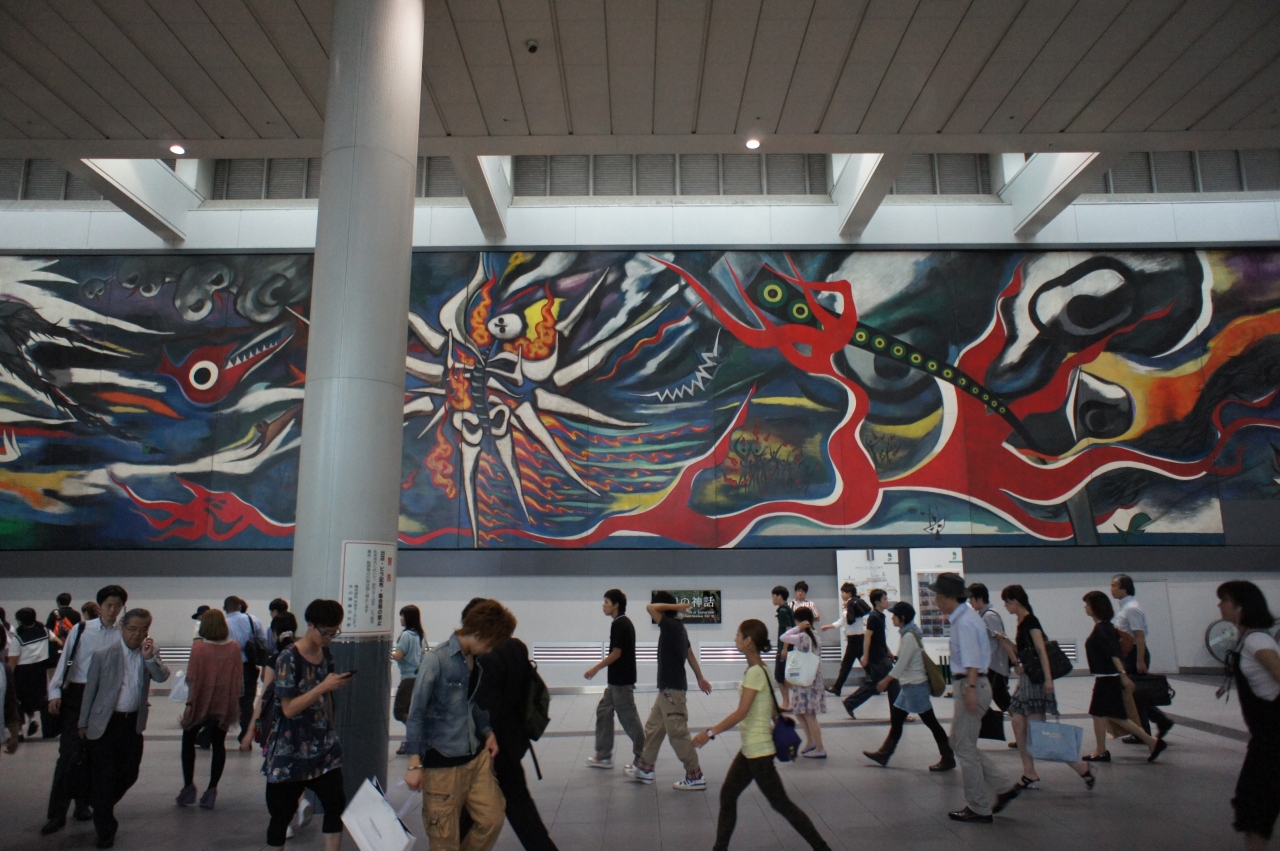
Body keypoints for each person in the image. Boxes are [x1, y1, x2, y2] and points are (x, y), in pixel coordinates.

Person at [692, 619, 832, 851]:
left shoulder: (756, 673)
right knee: (728, 795)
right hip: (751, 749)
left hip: (759, 751)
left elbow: (741, 712)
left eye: (738, 635)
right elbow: (769, 710)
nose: (735, 639)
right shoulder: (761, 670)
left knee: (781, 804)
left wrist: (710, 733)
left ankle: (822, 847)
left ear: (748, 641)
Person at [404, 598, 516, 851]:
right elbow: (417, 713)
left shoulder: (474, 661)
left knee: (492, 819)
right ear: (477, 633)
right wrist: (414, 763)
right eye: (489, 644)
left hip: (475, 759)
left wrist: (487, 731)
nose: (489, 650)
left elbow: (471, 704)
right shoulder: (437, 660)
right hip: (442, 765)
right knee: (444, 840)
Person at [462, 599, 558, 851]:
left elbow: (484, 704)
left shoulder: (485, 656)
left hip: (490, 745)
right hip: (515, 739)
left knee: (473, 806)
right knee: (516, 803)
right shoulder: (517, 648)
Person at [262, 599, 351, 850]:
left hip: (323, 746)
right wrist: (322, 687)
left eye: (334, 632)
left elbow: (327, 700)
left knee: (335, 805)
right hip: (290, 748)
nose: (329, 637)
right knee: (281, 815)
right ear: (310, 625)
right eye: (326, 632)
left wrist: (331, 728)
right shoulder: (288, 658)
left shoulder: (326, 653)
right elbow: (288, 708)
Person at [78, 607, 170, 848]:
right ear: (122, 627)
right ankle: (105, 829)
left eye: (143, 630)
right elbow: (90, 690)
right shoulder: (103, 654)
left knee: (129, 773)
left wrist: (149, 658)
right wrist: (83, 722)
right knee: (104, 776)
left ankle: (100, 803)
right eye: (132, 629)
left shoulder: (149, 653)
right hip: (105, 723)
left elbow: (162, 677)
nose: (137, 634)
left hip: (132, 724)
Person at [930, 573, 1019, 823]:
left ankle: (979, 807)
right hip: (973, 684)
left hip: (971, 684)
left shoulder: (965, 623)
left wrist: (969, 689)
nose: (935, 600)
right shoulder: (965, 618)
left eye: (938, 595)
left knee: (964, 747)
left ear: (949, 597)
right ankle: (1003, 785)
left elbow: (972, 660)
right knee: (959, 742)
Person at [43, 584, 128, 836]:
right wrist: (55, 692)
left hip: (106, 699)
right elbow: (65, 663)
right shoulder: (81, 630)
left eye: (117, 605)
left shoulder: (123, 632)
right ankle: (57, 813)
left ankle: (83, 804)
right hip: (78, 696)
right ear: (99, 606)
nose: (112, 610)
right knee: (68, 755)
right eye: (108, 605)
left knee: (96, 756)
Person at [997, 585, 1096, 790]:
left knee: (1037, 731)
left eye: (1006, 602)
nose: (1005, 606)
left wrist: (1048, 679)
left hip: (1035, 681)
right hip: (1027, 680)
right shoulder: (1021, 621)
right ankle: (1029, 771)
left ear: (1015, 601)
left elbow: (1041, 650)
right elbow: (1025, 651)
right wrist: (1006, 643)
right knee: (1018, 723)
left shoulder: (1030, 621)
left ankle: (1079, 766)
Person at [626, 593, 714, 790]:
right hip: (667, 690)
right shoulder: (678, 628)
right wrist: (700, 677)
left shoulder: (671, 626)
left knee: (677, 733)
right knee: (653, 728)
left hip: (672, 691)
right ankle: (645, 769)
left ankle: (695, 775)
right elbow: (690, 653)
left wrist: (674, 607)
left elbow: (650, 608)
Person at [1217, 581, 1280, 851]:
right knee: (1253, 807)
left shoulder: (1257, 641)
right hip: (1265, 737)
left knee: (1256, 807)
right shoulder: (1248, 639)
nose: (1220, 605)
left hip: (1272, 738)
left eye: (1224, 600)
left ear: (1241, 607)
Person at [862, 601, 955, 771]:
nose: (892, 618)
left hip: (915, 686)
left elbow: (901, 665)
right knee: (897, 720)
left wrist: (885, 681)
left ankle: (948, 756)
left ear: (902, 618)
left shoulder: (909, 637)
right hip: (909, 686)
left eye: (894, 616)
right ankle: (884, 753)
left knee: (931, 722)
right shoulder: (908, 634)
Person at [1079, 591, 1162, 763]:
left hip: (1108, 678)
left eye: (1087, 604)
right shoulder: (1106, 627)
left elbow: (1113, 654)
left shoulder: (1102, 629)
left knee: (1104, 714)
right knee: (1108, 715)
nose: (1085, 607)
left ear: (1095, 607)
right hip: (1107, 677)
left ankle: (1104, 749)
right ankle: (1148, 742)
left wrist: (1123, 675)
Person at [177, 609, 244, 810]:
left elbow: (192, 679)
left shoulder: (199, 648)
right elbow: (238, 678)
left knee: (188, 741)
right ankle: (212, 789)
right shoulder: (234, 647)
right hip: (223, 703)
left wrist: (190, 704)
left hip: (201, 702)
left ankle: (188, 787)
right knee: (218, 745)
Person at [585, 588, 644, 771]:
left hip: (621, 681)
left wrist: (595, 668)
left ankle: (643, 759)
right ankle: (603, 756)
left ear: (616, 605)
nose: (603, 606)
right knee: (604, 710)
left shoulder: (619, 624)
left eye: (606, 602)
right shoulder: (623, 622)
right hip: (616, 681)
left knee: (629, 719)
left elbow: (616, 653)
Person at [1110, 574, 1175, 741]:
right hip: (1130, 653)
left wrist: (1140, 660)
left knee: (1133, 693)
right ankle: (1160, 722)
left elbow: (1139, 636)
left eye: (1114, 585)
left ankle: (1143, 732)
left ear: (1125, 589)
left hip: (1134, 654)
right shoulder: (1125, 607)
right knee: (1136, 693)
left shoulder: (1131, 609)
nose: (1112, 589)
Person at [780, 607, 827, 758]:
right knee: (800, 711)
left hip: (805, 680)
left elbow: (783, 637)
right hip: (812, 679)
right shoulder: (815, 636)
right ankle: (811, 742)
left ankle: (820, 748)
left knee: (808, 715)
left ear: (799, 620)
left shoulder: (801, 637)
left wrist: (797, 628)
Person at [842, 589, 892, 720]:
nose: (887, 601)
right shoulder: (873, 617)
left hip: (882, 654)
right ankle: (898, 714)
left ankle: (850, 703)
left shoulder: (880, 616)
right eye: (885, 599)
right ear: (877, 602)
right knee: (893, 682)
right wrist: (865, 656)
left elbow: (880, 638)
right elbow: (868, 637)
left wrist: (888, 651)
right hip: (878, 657)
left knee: (874, 685)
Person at [225, 595, 269, 743]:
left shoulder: (223, 623)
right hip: (248, 666)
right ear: (239, 606)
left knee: (225, 701)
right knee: (247, 703)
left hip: (229, 666)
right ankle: (247, 735)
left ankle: (209, 736)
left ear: (225, 608)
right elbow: (263, 641)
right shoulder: (252, 620)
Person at [969, 583, 1011, 715]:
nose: (970, 602)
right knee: (997, 698)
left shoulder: (989, 616)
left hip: (996, 667)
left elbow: (1000, 641)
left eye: (971, 599)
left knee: (1001, 698)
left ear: (980, 598)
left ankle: (1020, 720)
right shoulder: (982, 615)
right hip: (991, 666)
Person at [822, 582, 867, 696]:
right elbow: (843, 620)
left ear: (849, 593)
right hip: (856, 638)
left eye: (843, 592)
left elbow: (848, 620)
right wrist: (830, 626)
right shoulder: (850, 604)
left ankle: (837, 688)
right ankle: (881, 681)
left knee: (846, 664)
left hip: (855, 638)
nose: (842, 594)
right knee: (864, 663)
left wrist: (846, 608)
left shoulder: (852, 604)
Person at [393, 604, 426, 755]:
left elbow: (399, 655)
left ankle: (417, 738)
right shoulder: (420, 635)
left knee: (399, 712)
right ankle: (411, 742)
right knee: (410, 711)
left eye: (402, 615)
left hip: (407, 679)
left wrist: (385, 652)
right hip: (418, 678)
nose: (401, 618)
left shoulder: (406, 635)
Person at [12, 607, 50, 738]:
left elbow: (12, 662)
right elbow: (57, 641)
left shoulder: (18, 639)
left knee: (18, 700)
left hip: (22, 673)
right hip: (39, 671)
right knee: (38, 699)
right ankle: (37, 722)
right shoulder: (45, 632)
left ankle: (19, 732)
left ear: (20, 621)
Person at [772, 586, 796, 710]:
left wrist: (784, 648)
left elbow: (788, 630)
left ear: (779, 596)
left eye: (773, 596)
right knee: (784, 676)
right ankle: (787, 702)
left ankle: (787, 703)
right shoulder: (788, 609)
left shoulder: (783, 611)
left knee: (780, 676)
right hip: (789, 647)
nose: (773, 599)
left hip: (784, 647)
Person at [45, 593, 81, 674]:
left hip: (57, 644)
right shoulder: (76, 614)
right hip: (71, 642)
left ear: (58, 602)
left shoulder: (54, 613)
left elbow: (48, 630)